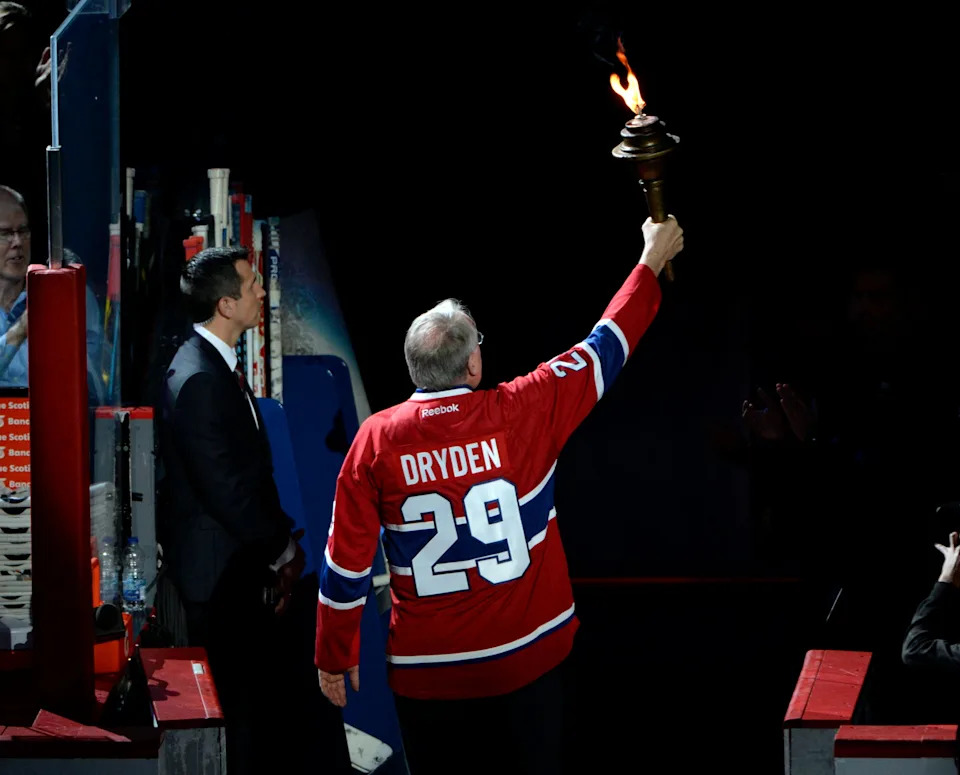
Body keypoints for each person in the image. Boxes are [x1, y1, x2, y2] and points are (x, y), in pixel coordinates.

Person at [315, 215, 684, 774]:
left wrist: (333, 654)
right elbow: (607, 344)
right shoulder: (524, 408)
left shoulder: (376, 440)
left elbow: (345, 562)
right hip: (529, 666)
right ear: (473, 362)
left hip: (428, 674)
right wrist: (650, 261)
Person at [160, 246, 351, 774]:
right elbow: (228, 490)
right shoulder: (199, 378)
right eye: (251, 286)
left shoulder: (211, 366)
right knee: (239, 714)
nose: (262, 292)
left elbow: (245, 475)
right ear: (226, 304)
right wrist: (283, 549)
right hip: (219, 580)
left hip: (241, 570)